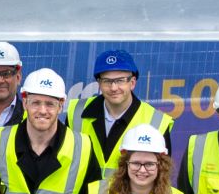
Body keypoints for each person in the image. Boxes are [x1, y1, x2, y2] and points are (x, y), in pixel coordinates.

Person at [73, 50, 172, 180]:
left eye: (120, 80)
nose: (113, 88)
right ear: (99, 84)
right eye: (107, 81)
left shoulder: (157, 122)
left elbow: (161, 178)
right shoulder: (76, 112)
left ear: (132, 83)